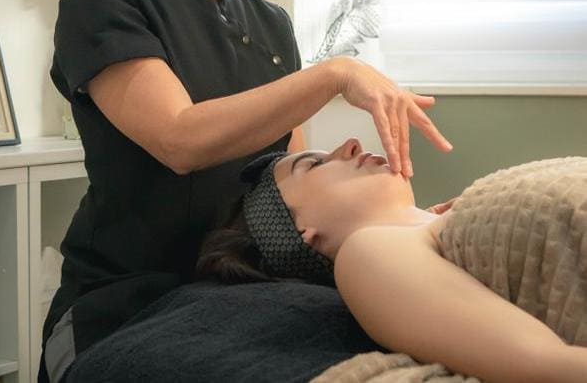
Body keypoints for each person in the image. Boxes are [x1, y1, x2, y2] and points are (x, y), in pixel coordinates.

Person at [39, 0, 453, 383]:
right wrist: (334, 74)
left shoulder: (269, 21)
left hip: (241, 294)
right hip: (127, 301)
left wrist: (411, 226)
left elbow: (285, 187)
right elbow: (178, 140)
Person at [197, 138, 587, 383]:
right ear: (300, 231)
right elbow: (544, 364)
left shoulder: (440, 227)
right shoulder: (366, 254)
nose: (350, 145)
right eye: (315, 164)